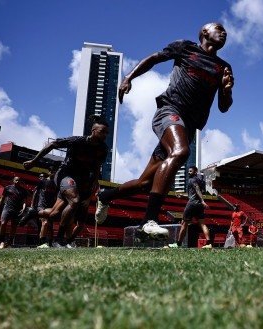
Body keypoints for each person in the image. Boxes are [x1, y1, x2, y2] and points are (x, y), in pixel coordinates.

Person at [94, 22, 234, 242]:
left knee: (144, 183)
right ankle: (148, 222)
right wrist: (128, 78)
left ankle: (106, 195)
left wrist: (227, 90)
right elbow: (153, 58)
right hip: (169, 111)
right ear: (204, 33)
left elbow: (224, 107)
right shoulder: (185, 47)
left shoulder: (223, 67)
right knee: (180, 152)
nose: (224, 32)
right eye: (219, 29)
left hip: (186, 125)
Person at [23, 115, 108, 248]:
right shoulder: (76, 140)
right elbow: (52, 144)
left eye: (107, 132)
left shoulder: (103, 148)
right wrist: (34, 161)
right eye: (102, 131)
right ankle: (59, 239)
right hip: (65, 175)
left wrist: (94, 184)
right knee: (74, 200)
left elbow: (97, 166)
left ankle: (33, 212)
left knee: (55, 213)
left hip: (81, 180)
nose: (105, 135)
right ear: (93, 130)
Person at [169, 166, 212, 248]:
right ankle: (209, 243)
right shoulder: (200, 180)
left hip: (192, 204)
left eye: (190, 171)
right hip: (199, 205)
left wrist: (203, 200)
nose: (188, 172)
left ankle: (178, 244)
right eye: (188, 171)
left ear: (195, 172)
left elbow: (197, 189)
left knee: (184, 223)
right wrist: (183, 195)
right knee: (202, 224)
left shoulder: (192, 180)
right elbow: (192, 194)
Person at [22, 166, 58, 248]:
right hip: (41, 206)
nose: (54, 173)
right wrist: (32, 205)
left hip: (51, 207)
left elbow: (56, 197)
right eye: (52, 171)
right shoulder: (43, 181)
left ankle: (50, 243)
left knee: (50, 226)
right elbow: (35, 192)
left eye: (55, 171)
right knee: (44, 223)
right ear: (49, 172)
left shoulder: (56, 183)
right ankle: (41, 243)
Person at [0, 176, 29, 248]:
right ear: (13, 181)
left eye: (19, 180)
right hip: (7, 208)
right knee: (3, 223)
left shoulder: (23, 191)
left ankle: (9, 243)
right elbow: (2, 199)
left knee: (13, 227)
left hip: (17, 210)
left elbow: (24, 202)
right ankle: (2, 242)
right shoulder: (7, 188)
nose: (17, 182)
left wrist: (23, 209)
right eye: (16, 180)